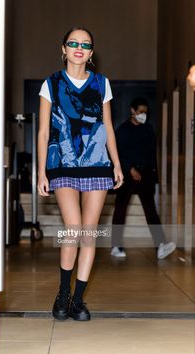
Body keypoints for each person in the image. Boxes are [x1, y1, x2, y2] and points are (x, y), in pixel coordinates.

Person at [38, 27, 124, 321]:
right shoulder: (51, 83)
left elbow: (108, 127)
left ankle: (78, 300)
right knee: (73, 229)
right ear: (63, 48)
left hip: (98, 165)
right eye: (73, 43)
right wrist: (41, 172)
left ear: (90, 53)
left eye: (85, 44)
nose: (79, 47)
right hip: (62, 164)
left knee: (89, 233)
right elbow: (43, 130)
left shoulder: (102, 84)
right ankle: (63, 292)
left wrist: (117, 163)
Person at [111, 97, 176, 259]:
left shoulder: (148, 129)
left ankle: (160, 245)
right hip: (127, 174)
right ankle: (116, 245)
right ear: (132, 111)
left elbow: (151, 154)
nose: (143, 115)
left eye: (145, 112)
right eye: (140, 112)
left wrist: (154, 176)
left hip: (145, 174)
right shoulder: (122, 130)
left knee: (151, 210)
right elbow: (117, 153)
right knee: (120, 208)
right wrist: (130, 169)